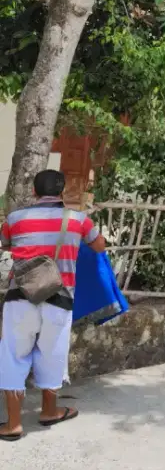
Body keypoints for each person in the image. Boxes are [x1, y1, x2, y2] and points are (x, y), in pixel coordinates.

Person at [0, 169, 106, 440]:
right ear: (61, 192)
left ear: (34, 192)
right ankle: (49, 411)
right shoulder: (79, 220)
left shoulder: (14, 218)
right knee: (52, 353)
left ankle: (12, 424)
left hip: (20, 297)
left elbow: (5, 244)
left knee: (14, 355)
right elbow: (99, 246)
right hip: (59, 298)